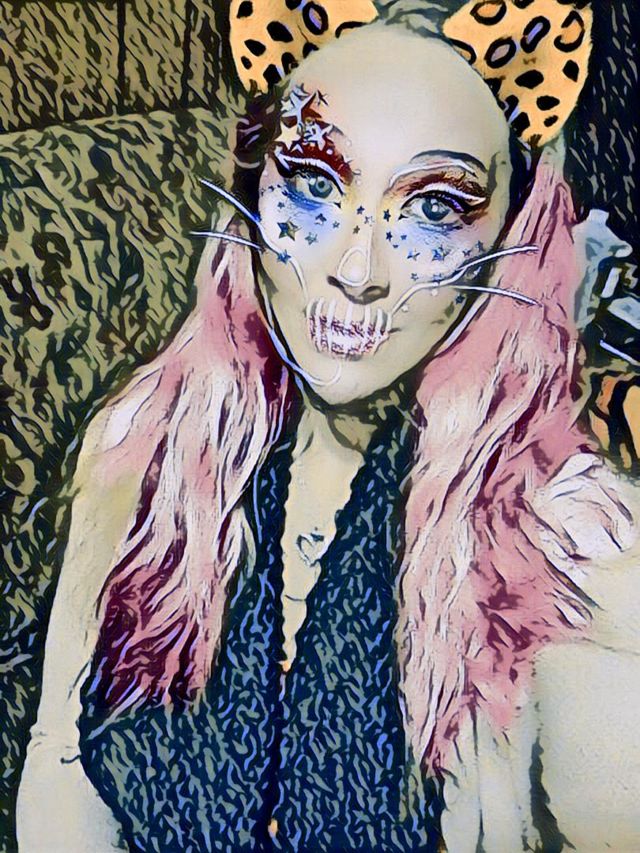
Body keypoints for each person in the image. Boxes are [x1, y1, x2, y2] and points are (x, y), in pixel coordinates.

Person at [17, 4, 640, 851]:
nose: (356, 268)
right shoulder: (145, 442)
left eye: (434, 208)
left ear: (512, 236)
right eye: (314, 183)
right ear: (250, 188)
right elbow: (61, 756)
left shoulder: (570, 557)